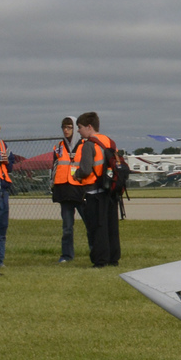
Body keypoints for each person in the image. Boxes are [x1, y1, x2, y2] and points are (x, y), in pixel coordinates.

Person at [70, 112, 120, 268]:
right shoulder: (109, 141)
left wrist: (76, 175)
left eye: (80, 127)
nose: (78, 131)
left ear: (89, 127)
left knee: (97, 228)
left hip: (94, 191)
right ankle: (113, 258)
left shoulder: (89, 144)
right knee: (111, 226)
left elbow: (85, 169)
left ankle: (100, 260)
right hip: (110, 190)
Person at [51, 116, 81, 263]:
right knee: (67, 228)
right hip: (64, 191)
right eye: (64, 127)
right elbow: (54, 168)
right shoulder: (58, 147)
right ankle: (66, 255)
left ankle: (97, 252)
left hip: (81, 191)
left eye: (69, 127)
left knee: (91, 225)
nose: (66, 130)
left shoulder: (84, 145)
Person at [0, 121, 11, 271]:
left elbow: (11, 164)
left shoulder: (3, 145)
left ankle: (0, 260)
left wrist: (6, 161)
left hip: (2, 191)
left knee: (1, 229)